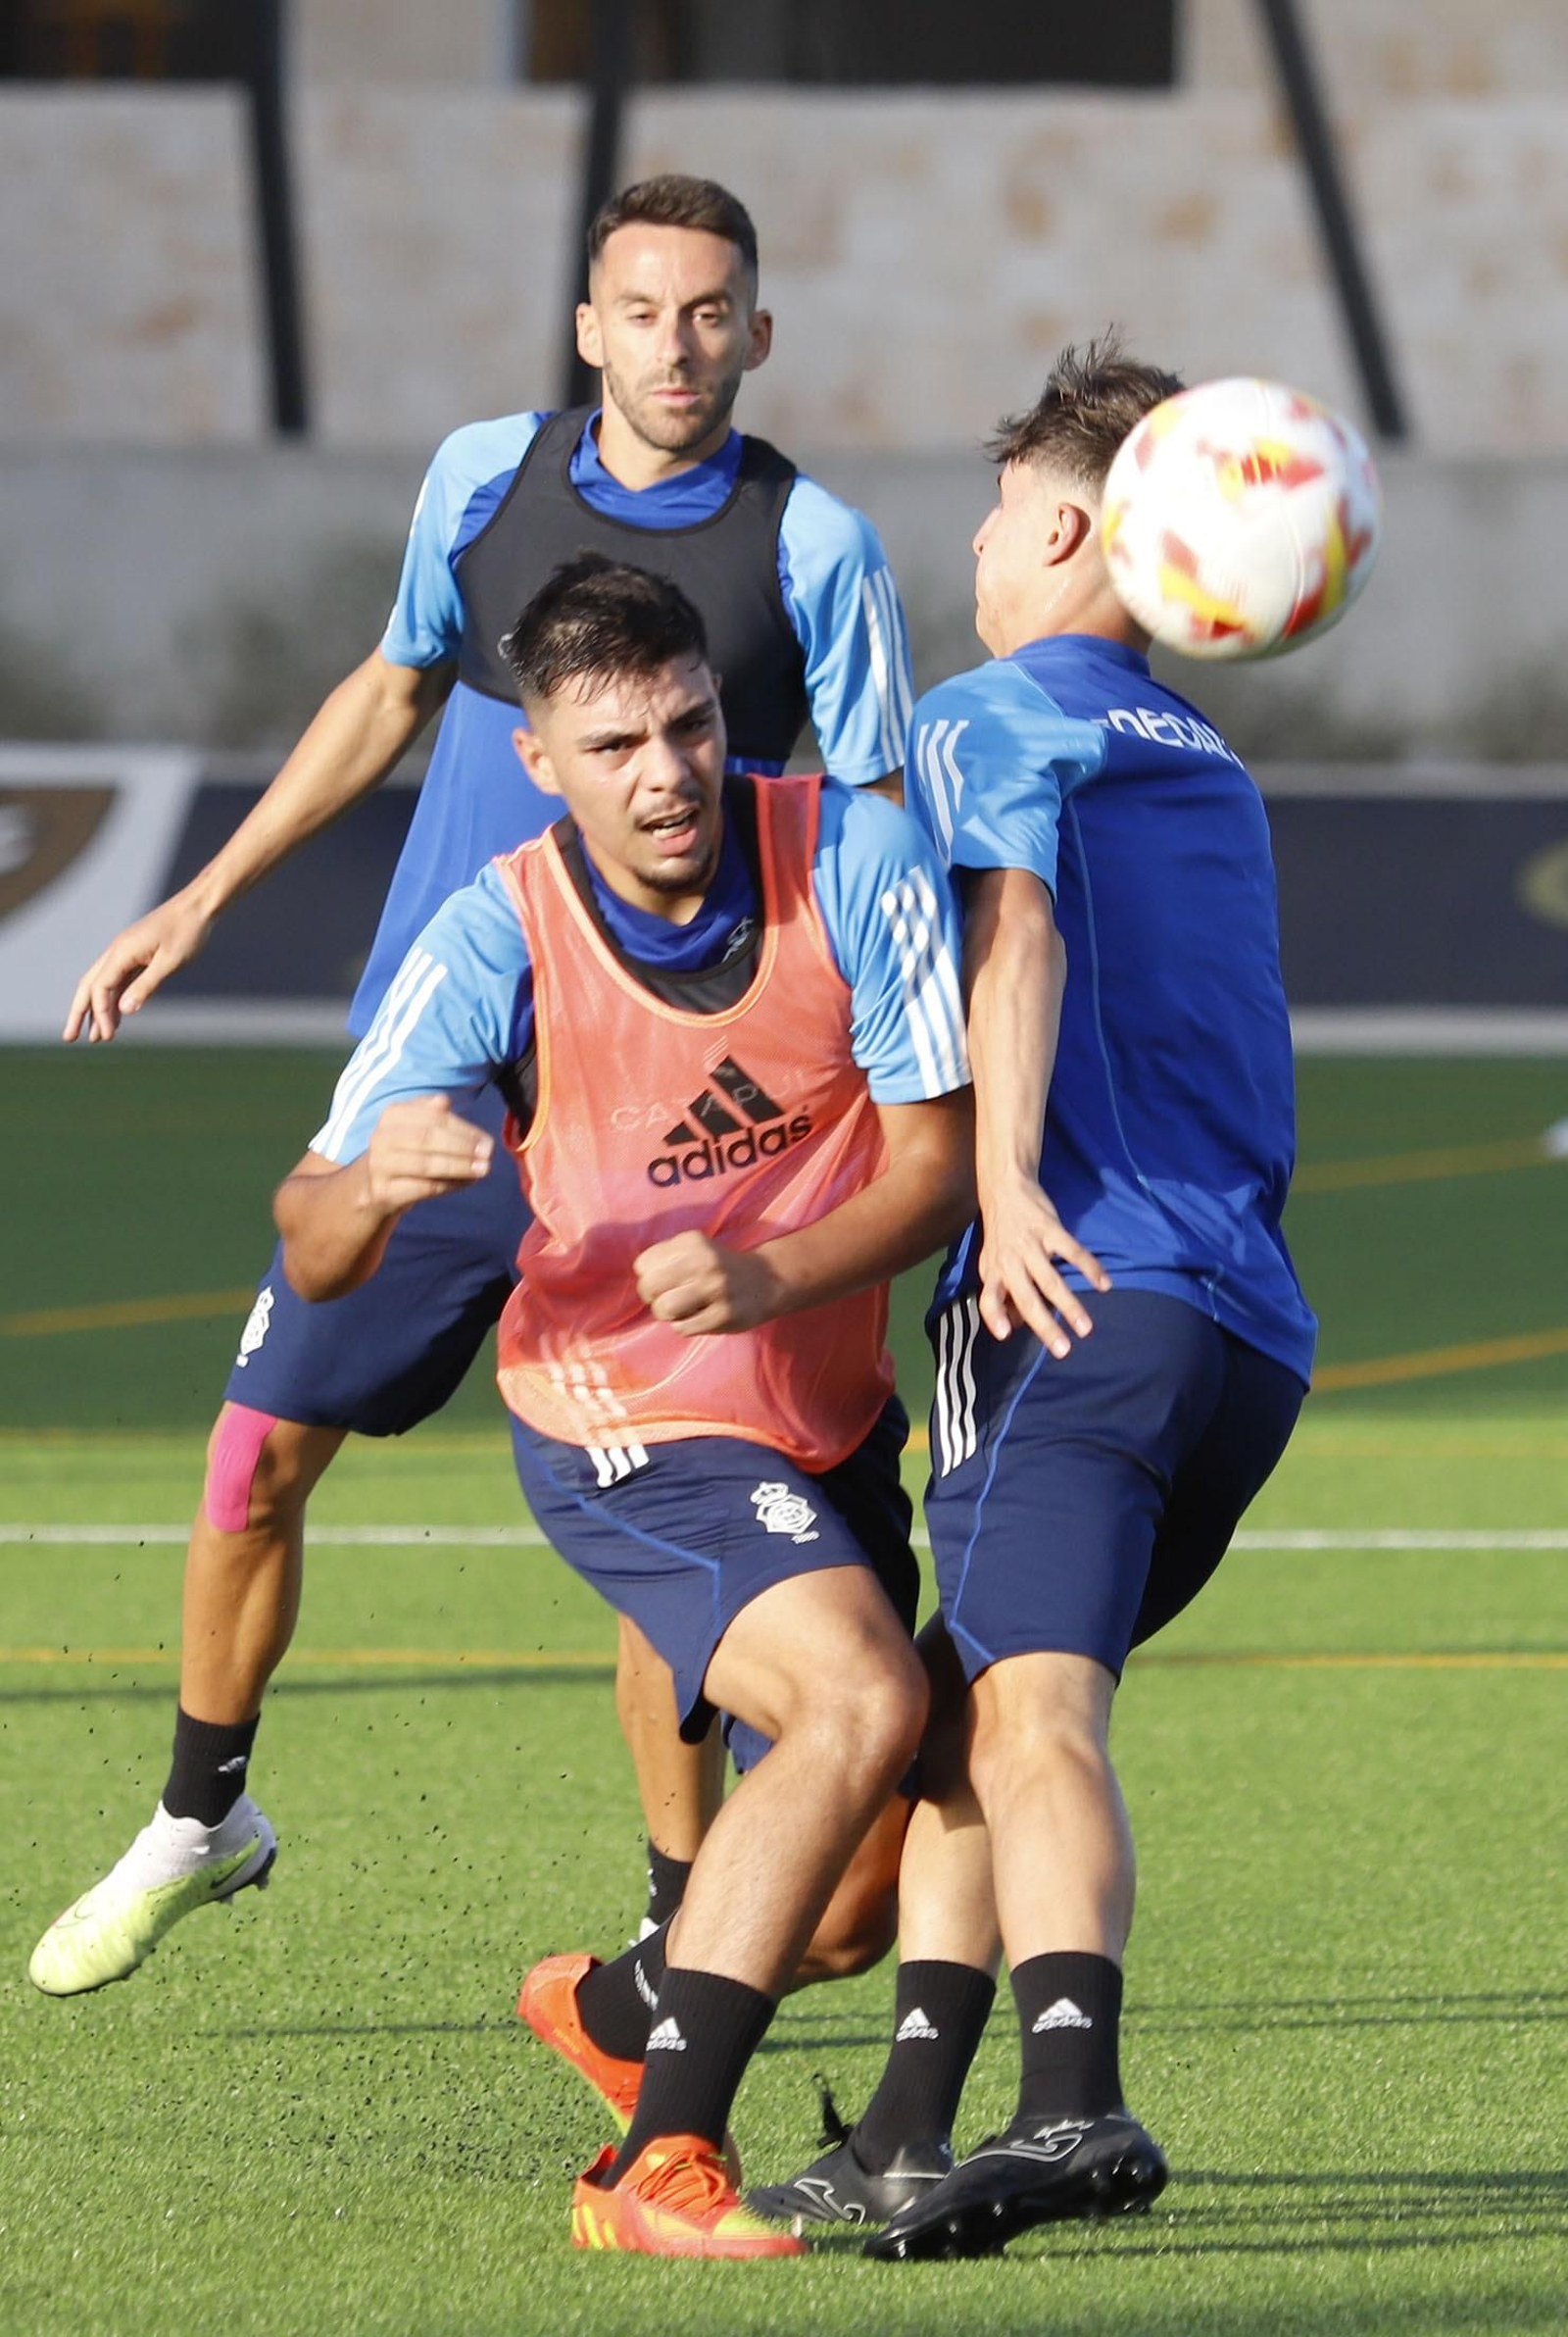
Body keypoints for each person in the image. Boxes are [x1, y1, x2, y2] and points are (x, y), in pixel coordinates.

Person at [31, 174, 914, 1998]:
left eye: (711, 311)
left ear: (759, 331)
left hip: (676, 1123)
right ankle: (201, 1815)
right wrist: (203, 893)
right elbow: (387, 692)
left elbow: (879, 827)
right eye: (641, 310)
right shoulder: (480, 481)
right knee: (256, 1453)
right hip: (444, 1088)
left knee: (673, 1513)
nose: (677, 345)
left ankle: (677, 1919)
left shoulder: (817, 548)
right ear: (588, 327)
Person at [271, 558, 972, 2256]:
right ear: (540, 761)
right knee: (865, 1696)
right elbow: (308, 1235)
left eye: (689, 726)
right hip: (622, 1413)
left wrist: (770, 1277)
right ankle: (658, 2169)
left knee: (842, 1915)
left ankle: (616, 2005)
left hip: (823, 1413)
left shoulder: (856, 858)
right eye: (614, 746)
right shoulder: (493, 934)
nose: (665, 774)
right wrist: (371, 1188)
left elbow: (937, 1170)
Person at [751, 338, 1317, 2258]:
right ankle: (906, 2133)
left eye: (997, 514)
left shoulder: (994, 714)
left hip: (1072, 1293)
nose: (978, 548)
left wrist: (993, 1187)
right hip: (1238, 1333)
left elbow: (1013, 925)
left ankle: (1072, 2104)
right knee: (970, 1717)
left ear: (1069, 530)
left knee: (1034, 1715)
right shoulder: (1207, 760)